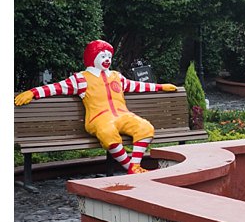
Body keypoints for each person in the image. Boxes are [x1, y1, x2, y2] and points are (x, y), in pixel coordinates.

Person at [14, 40, 178, 174]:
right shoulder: (81, 79)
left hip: (123, 116)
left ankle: (135, 165)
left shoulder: (116, 76)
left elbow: (136, 85)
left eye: (109, 56)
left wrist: (160, 87)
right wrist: (33, 92)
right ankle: (130, 167)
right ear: (93, 56)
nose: (107, 59)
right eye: (103, 55)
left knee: (145, 127)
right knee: (108, 133)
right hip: (99, 119)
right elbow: (56, 87)